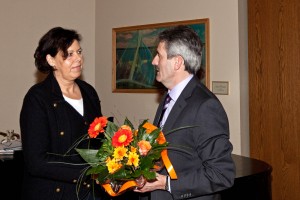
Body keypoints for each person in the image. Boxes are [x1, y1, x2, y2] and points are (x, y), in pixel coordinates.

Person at [134, 25, 236, 200]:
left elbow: (221, 174)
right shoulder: (168, 97)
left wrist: (167, 184)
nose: (154, 61)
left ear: (177, 62)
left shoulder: (205, 106)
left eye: (159, 55)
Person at [20, 27, 107, 200]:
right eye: (69, 54)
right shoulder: (37, 98)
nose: (78, 59)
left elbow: (99, 140)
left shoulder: (89, 92)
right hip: (54, 192)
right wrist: (90, 168)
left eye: (79, 52)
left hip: (90, 192)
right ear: (51, 60)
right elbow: (36, 162)